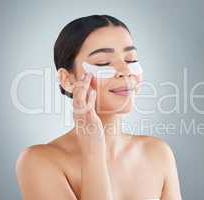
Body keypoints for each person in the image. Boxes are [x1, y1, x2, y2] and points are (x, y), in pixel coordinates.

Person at [16, 14, 182, 200]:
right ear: (67, 80)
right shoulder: (39, 162)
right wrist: (93, 152)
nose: (125, 71)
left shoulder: (158, 153)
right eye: (103, 63)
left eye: (131, 59)